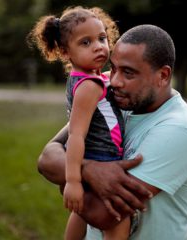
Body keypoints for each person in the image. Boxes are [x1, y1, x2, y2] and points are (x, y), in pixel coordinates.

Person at [38, 24, 187, 239]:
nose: (115, 81)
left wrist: (67, 181)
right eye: (114, 68)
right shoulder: (114, 96)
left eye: (128, 72)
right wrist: (88, 170)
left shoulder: (179, 130)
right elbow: (47, 157)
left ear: (163, 75)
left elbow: (105, 215)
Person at [28, 6, 130, 240]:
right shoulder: (89, 86)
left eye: (102, 38)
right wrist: (73, 180)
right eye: (86, 43)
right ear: (65, 52)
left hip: (97, 155)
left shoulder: (86, 78)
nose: (98, 46)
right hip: (102, 157)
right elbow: (75, 135)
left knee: (80, 213)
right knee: (118, 219)